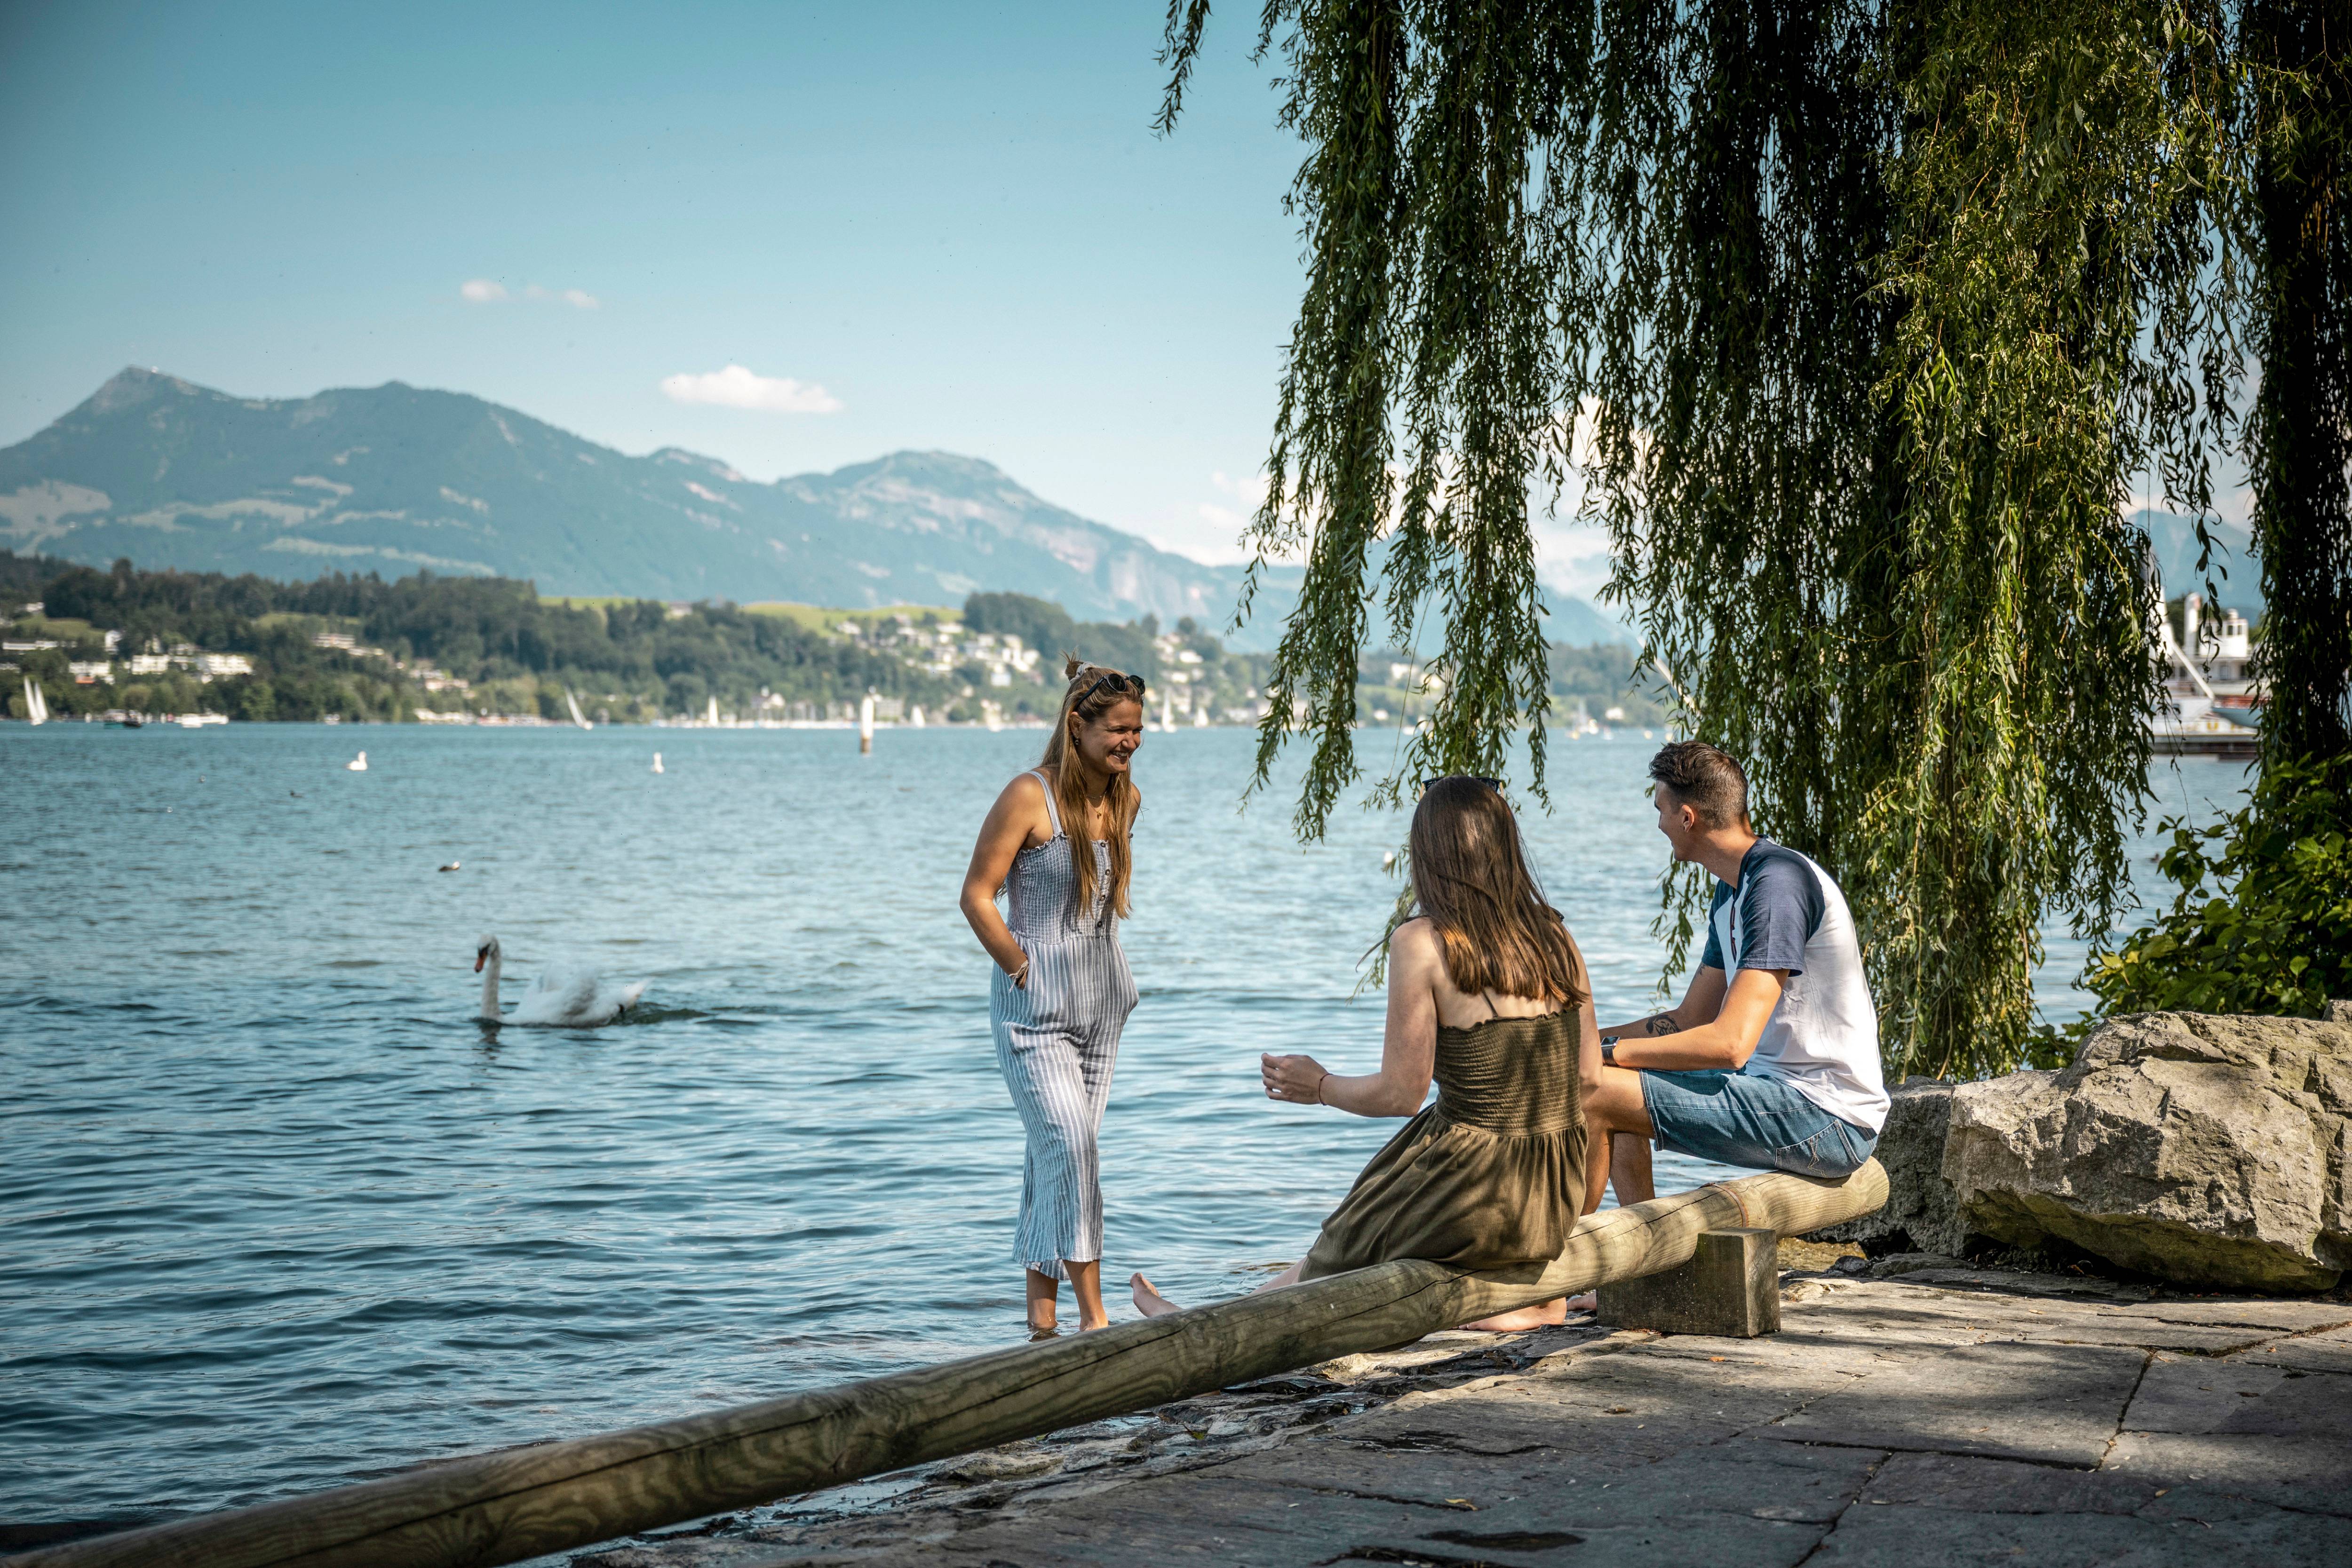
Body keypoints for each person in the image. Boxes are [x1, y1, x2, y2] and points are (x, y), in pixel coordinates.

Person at [1131, 776, 1600, 1332]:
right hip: (1551, 1189)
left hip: (1478, 1190)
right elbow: (1588, 1077)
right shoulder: (1554, 936)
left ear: (1427, 852)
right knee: (1352, 1232)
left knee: (1349, 1239)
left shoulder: (1421, 941)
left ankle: (1207, 1332)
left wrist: (1319, 1086)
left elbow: (1401, 1095)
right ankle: (1208, 1318)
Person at [1583, 741, 1887, 1209]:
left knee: (1593, 1089)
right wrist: (1585, 1042)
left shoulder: (1777, 886)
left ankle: (1565, 1254)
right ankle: (1640, 1249)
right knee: (1605, 1076)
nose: (1658, 824)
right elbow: (1689, 1019)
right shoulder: (1731, 891)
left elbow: (1730, 1044)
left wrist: (1605, 1054)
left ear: (1687, 817)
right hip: (1781, 1094)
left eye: (1660, 810)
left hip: (1829, 1117)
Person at [959, 659, 1147, 1336]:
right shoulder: (1027, 795)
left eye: (1137, 729)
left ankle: (1041, 1324)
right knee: (1072, 1149)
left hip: (1102, 1006)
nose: (1130, 742)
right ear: (1077, 724)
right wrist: (1020, 967)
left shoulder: (1125, 800)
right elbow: (976, 897)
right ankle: (1095, 1321)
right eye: (1117, 730)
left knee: (1057, 1157)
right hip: (1034, 1013)